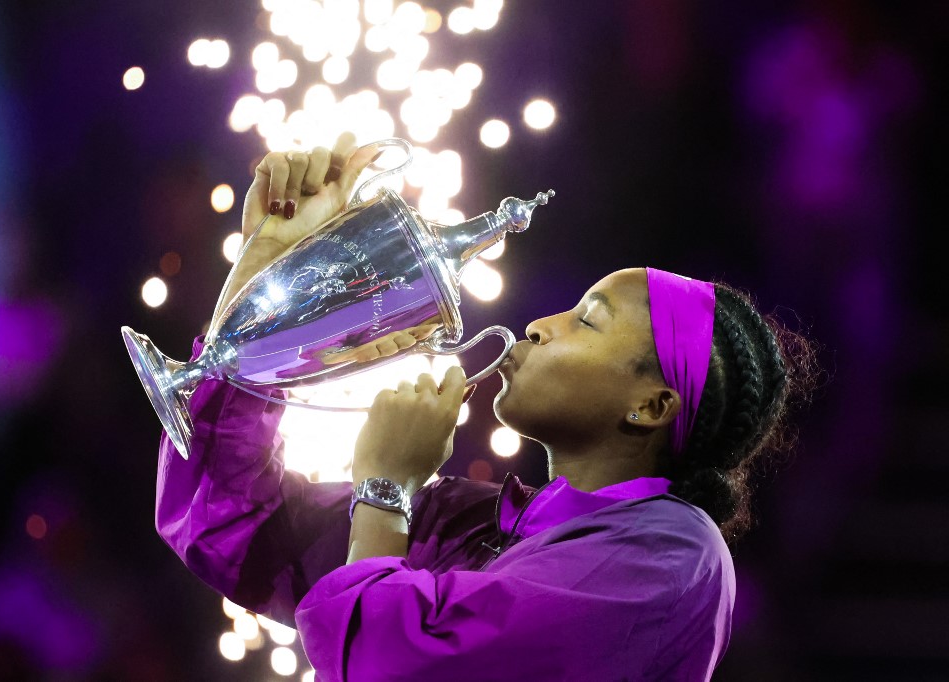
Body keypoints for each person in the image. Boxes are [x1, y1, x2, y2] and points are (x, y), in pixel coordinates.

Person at [153, 133, 815, 681]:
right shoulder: (476, 524)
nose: (539, 327)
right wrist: (271, 266)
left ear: (651, 404)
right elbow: (228, 528)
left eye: (587, 321)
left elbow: (391, 668)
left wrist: (384, 490)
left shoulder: (672, 558)